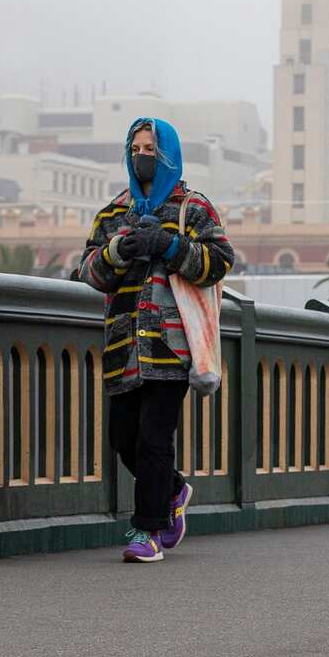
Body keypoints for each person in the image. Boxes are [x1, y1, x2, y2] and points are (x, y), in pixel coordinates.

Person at [78, 117, 234, 562]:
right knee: (122, 437)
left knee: (153, 437)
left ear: (168, 155)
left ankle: (146, 531)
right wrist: (117, 251)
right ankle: (175, 490)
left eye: (151, 149)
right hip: (122, 347)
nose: (142, 156)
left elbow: (219, 262)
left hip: (171, 347)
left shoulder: (194, 208)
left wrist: (170, 247)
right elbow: (89, 271)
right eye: (136, 148)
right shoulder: (113, 212)